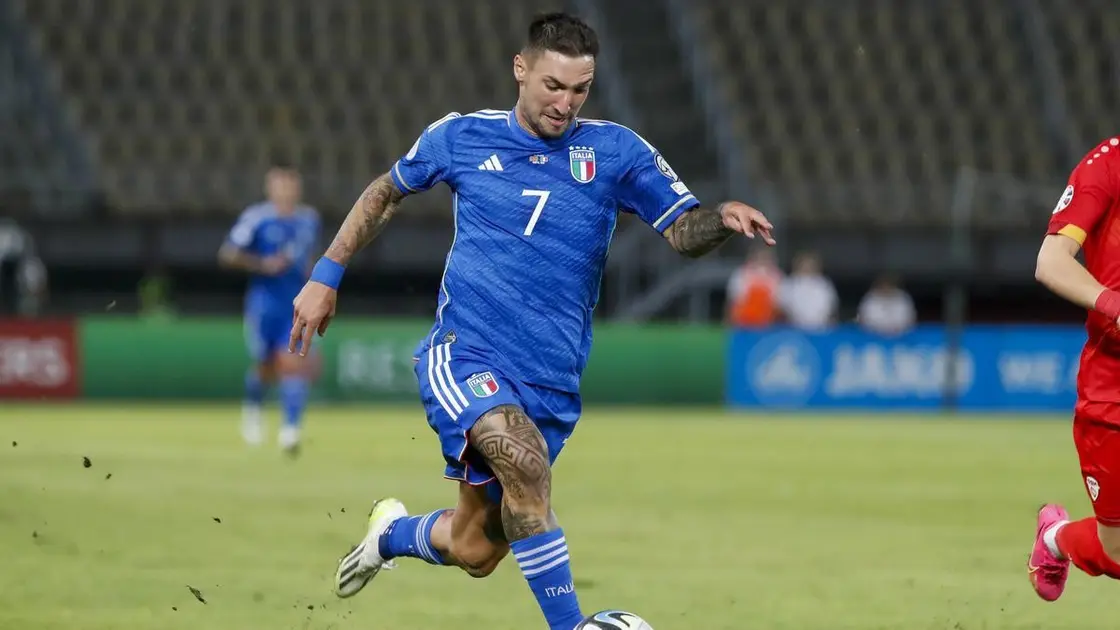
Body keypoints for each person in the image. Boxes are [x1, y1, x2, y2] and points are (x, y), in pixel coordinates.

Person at [289, 13, 774, 629]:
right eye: (553, 86)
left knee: (475, 549)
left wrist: (720, 219)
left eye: (580, 90)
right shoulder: (461, 137)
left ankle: (390, 535)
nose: (564, 104)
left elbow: (682, 230)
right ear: (521, 70)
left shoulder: (615, 152)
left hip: (551, 379)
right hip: (467, 352)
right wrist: (325, 275)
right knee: (522, 462)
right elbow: (385, 193)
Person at [1031, 135, 1120, 601]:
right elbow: (1050, 262)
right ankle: (1055, 539)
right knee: (1117, 551)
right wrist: (1114, 306)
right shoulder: (1107, 165)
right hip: (1112, 389)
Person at [219, 165, 320, 454]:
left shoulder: (309, 219)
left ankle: (291, 429)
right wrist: (263, 264)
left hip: (296, 305)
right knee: (265, 366)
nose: (286, 190)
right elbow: (228, 254)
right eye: (280, 184)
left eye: (291, 184)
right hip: (264, 305)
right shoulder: (257, 218)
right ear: (270, 188)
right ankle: (253, 409)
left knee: (294, 363)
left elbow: (311, 256)